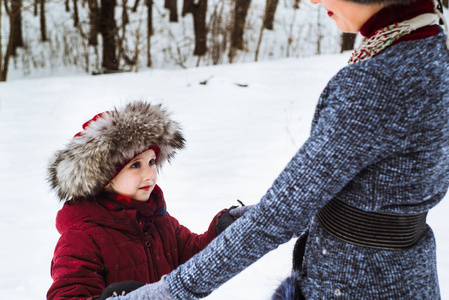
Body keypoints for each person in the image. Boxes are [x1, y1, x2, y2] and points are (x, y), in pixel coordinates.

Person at [109, 0, 449, 299]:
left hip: (355, 284)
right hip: (407, 277)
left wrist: (163, 294)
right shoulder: (432, 52)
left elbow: (278, 218)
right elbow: (381, 189)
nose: (313, 0)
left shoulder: (375, 82)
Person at [46, 101, 249, 300]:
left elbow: (192, 259)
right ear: (104, 177)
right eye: (135, 165)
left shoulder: (156, 218)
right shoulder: (81, 238)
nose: (150, 175)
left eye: (152, 162)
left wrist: (219, 233)